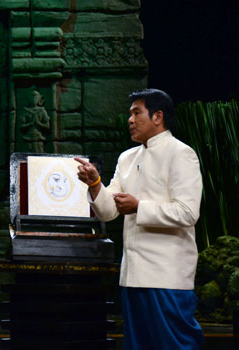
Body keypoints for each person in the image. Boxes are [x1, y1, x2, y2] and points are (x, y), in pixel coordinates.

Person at [75, 88, 204, 349]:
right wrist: (95, 184)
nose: (130, 120)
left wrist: (138, 207)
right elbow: (109, 211)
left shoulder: (181, 153)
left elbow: (188, 212)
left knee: (175, 344)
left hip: (167, 275)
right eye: (129, 114)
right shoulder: (127, 158)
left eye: (136, 113)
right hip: (134, 275)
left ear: (158, 117)